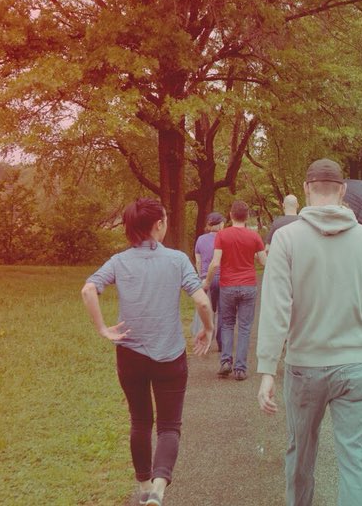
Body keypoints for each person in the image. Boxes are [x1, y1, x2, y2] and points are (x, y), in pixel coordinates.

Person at [256, 158, 362, 506]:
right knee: (356, 462)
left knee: (300, 455)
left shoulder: (286, 240)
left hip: (305, 366)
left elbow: (276, 307)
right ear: (342, 191)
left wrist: (267, 368)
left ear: (306, 188)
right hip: (355, 367)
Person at [81, 198, 214, 506]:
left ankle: (143, 488)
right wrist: (207, 329)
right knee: (169, 426)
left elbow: (89, 289)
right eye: (165, 220)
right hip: (170, 355)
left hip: (130, 355)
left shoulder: (119, 261)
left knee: (140, 421)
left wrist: (103, 328)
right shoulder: (177, 260)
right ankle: (158, 490)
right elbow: (202, 302)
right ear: (158, 225)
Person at [205, 200, 267, 381]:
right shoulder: (254, 236)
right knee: (245, 327)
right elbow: (264, 262)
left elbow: (215, 262)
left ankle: (225, 361)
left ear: (231, 215)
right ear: (247, 217)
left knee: (227, 324)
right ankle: (240, 368)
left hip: (228, 286)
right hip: (248, 286)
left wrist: (207, 281)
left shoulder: (222, 235)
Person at [193, 211, 225, 349]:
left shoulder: (200, 239)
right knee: (223, 310)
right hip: (223, 278)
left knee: (207, 309)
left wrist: (201, 277)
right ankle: (221, 341)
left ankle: (205, 336)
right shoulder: (224, 237)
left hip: (206, 279)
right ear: (220, 224)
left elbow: (198, 261)